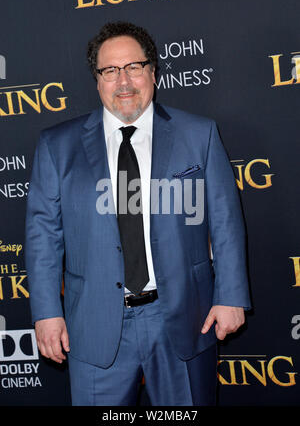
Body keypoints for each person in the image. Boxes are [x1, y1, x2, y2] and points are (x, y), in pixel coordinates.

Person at [25, 21, 251, 406]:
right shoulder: (57, 146)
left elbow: (225, 221)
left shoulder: (199, 135)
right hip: (93, 324)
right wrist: (46, 312)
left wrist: (230, 295)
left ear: (153, 72)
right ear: (97, 79)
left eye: (134, 67)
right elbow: (43, 236)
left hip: (182, 315)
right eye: (110, 70)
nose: (123, 81)